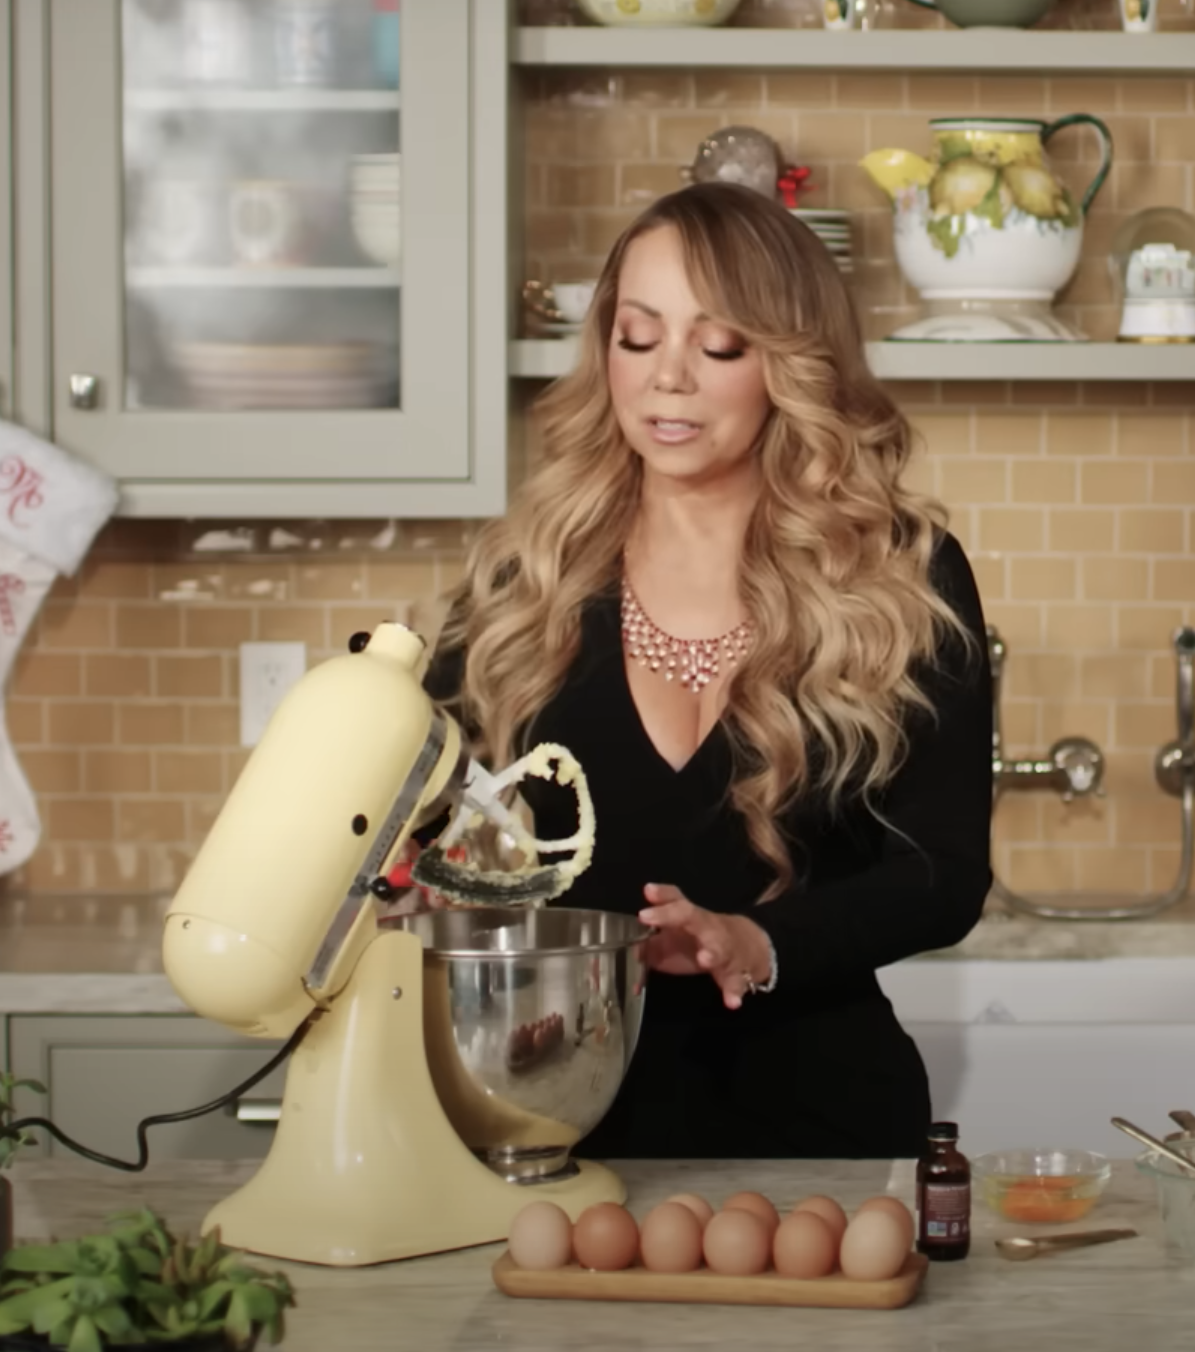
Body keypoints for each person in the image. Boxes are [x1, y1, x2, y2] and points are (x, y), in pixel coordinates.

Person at [420, 181, 992, 1160]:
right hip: (555, 1125)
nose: (668, 378)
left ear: (790, 364)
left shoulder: (899, 574)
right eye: (637, 337)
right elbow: (426, 831)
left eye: (719, 345)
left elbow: (944, 874)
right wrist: (429, 882)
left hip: (826, 1136)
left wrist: (760, 942)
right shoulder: (527, 583)